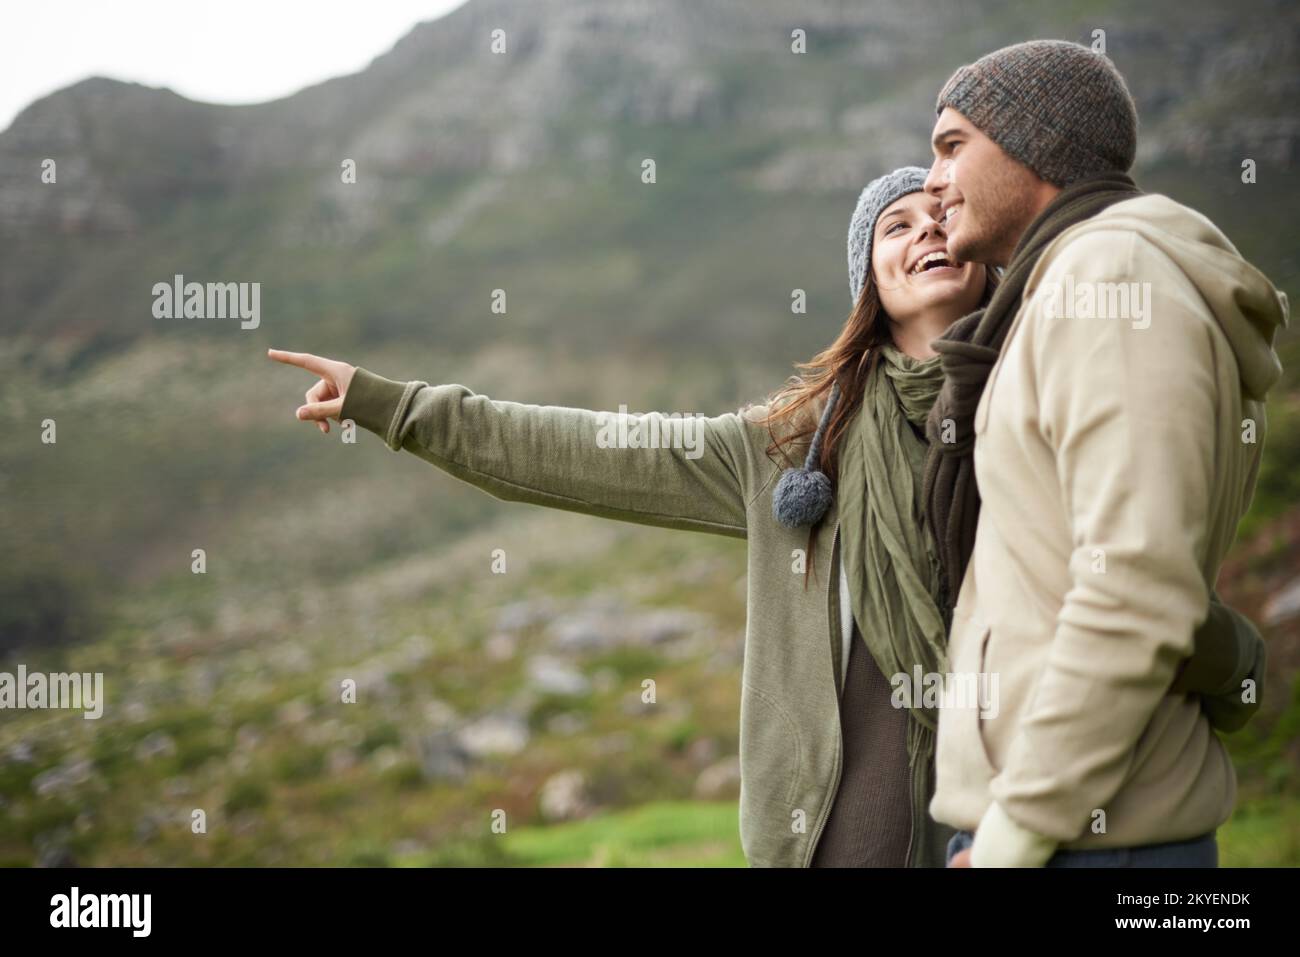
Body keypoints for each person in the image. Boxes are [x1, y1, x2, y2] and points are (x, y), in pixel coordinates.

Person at [268, 163, 1261, 868]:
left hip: (1031, 814)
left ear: (989, 258)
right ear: (865, 283)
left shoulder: (1046, 400)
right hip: (844, 837)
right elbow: (577, 452)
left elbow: (1135, 581)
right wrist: (390, 404)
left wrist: (1230, 662)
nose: (923, 232)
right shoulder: (788, 448)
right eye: (893, 226)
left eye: (937, 216)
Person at [918, 40, 1287, 868]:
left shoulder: (1111, 278)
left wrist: (1017, 830)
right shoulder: (1062, 287)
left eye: (951, 147)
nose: (932, 182)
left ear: (1037, 143)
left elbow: (1133, 579)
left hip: (1092, 844)